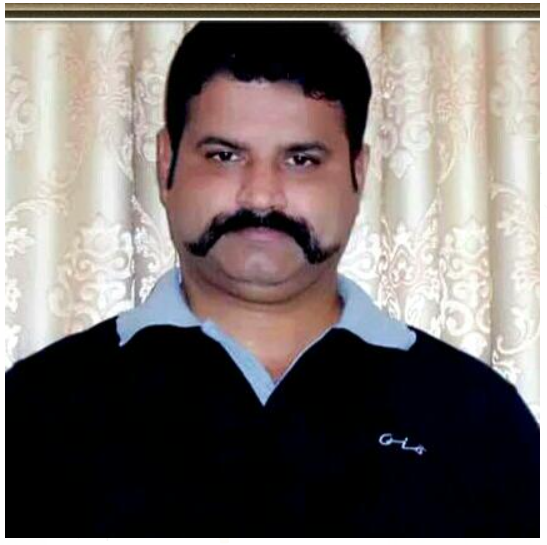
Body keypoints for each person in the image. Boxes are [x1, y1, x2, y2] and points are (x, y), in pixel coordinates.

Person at [6, 21, 539, 537]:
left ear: (358, 172)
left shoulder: (477, 419)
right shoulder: (34, 415)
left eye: (301, 160)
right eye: (224, 155)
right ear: (166, 163)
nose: (261, 195)